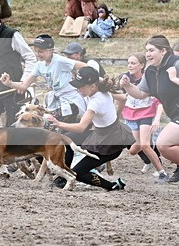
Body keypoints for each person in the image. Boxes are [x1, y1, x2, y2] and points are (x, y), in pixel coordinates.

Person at [44, 67, 132, 191]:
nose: (78, 89)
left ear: (92, 86)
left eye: (81, 86)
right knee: (66, 139)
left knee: (78, 173)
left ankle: (112, 186)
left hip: (109, 144)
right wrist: (117, 113)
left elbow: (81, 127)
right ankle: (63, 176)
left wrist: (58, 123)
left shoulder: (96, 101)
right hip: (103, 134)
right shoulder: (100, 89)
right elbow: (123, 98)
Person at [120, 35, 179, 183]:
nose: (147, 54)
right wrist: (128, 86)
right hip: (174, 115)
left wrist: (174, 79)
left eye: (151, 50)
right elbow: (141, 93)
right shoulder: (151, 71)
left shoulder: (176, 65)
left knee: (163, 144)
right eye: (146, 50)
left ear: (163, 51)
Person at [1, 34, 87, 122]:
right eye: (36, 51)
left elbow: (85, 67)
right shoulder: (39, 65)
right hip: (56, 100)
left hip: (70, 101)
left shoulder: (60, 61)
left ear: (50, 50)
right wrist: (9, 83)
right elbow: (24, 86)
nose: (37, 54)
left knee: (48, 122)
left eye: (40, 51)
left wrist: (81, 81)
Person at [116, 53, 167, 180]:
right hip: (131, 116)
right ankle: (149, 159)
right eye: (128, 63)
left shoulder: (148, 78)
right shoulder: (124, 77)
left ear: (142, 65)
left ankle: (162, 172)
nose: (130, 65)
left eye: (133, 63)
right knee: (133, 150)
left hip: (146, 114)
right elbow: (118, 95)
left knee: (145, 145)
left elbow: (159, 101)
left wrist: (157, 119)